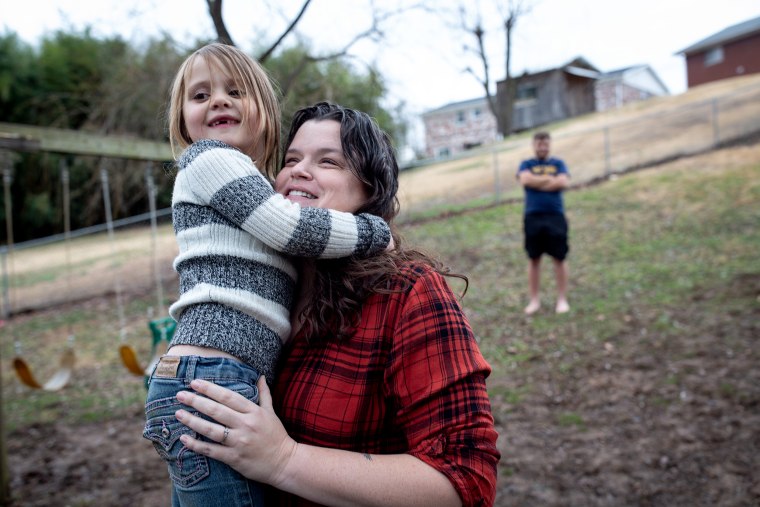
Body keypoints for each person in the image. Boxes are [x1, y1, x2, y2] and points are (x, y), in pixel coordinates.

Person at [170, 102, 501, 507]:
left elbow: (466, 481)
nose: (298, 171)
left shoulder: (407, 292)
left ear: (370, 191)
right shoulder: (261, 299)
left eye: (328, 161)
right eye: (291, 159)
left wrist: (282, 460)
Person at [142, 45, 392, 507]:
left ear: (264, 110)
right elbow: (287, 228)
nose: (218, 100)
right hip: (213, 374)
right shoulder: (209, 159)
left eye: (234, 91)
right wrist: (373, 231)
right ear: (181, 121)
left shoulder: (247, 179)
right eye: (200, 95)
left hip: (215, 373)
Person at [517, 131, 571, 315]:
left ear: (549, 145)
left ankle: (562, 299)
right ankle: (534, 301)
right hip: (532, 217)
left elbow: (563, 182)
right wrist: (550, 180)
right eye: (539, 144)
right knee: (534, 259)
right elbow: (525, 179)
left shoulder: (558, 163)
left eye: (545, 143)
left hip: (555, 216)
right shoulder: (526, 164)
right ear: (534, 145)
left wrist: (536, 182)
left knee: (559, 258)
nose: (542, 147)